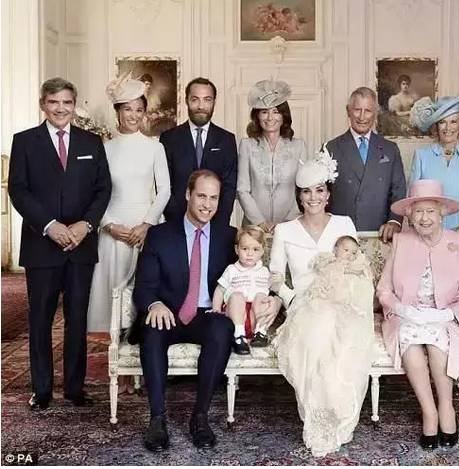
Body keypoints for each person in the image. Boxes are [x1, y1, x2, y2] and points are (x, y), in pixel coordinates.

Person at [8, 77, 112, 410]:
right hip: (41, 246)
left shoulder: (92, 142)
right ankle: (41, 391)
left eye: (67, 102)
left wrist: (86, 225)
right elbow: (18, 190)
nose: (61, 108)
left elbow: (103, 189)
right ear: (43, 104)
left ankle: (74, 388)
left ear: (74, 105)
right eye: (54, 102)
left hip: (81, 246)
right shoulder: (24, 141)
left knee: (77, 319)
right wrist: (49, 226)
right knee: (40, 319)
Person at [269, 150, 374, 457]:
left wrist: (347, 297)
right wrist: (291, 298)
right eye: (306, 192)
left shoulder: (343, 223)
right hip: (304, 304)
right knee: (317, 330)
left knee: (338, 333)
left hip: (342, 302)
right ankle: (318, 415)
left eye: (319, 190)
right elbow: (275, 277)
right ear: (299, 196)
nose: (313, 198)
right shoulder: (285, 230)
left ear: (328, 193)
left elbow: (358, 267)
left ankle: (338, 410)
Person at [130, 169, 237, 452]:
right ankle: (157, 419)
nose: (207, 204)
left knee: (222, 328)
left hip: (206, 314)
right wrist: (155, 304)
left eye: (214, 198)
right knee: (151, 328)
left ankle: (200, 417)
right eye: (201, 196)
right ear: (188, 195)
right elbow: (143, 287)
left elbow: (244, 276)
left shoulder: (229, 237)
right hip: (169, 313)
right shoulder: (160, 235)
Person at [377, 179, 459, 449]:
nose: (424, 218)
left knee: (436, 345)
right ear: (409, 215)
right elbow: (384, 289)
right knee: (410, 342)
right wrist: (402, 309)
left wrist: (446, 315)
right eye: (418, 211)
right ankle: (429, 413)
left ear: (442, 213)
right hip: (407, 314)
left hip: (444, 315)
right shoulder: (401, 241)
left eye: (430, 211)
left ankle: (446, 408)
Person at [87, 74, 170, 333]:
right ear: (118, 111)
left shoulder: (155, 148)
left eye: (139, 110)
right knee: (112, 298)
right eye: (127, 109)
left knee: (144, 289)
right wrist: (109, 225)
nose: (133, 115)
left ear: (144, 113)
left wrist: (147, 225)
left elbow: (165, 190)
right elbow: (95, 193)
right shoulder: (104, 149)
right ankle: (114, 349)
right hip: (114, 227)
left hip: (145, 228)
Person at [409, 94, 459, 281]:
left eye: (453, 121)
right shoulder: (422, 155)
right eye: (442, 122)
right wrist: (423, 227)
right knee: (434, 286)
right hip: (430, 234)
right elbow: (412, 198)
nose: (448, 128)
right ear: (436, 126)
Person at [325, 86, 406, 242]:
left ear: (375, 113)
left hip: (380, 236)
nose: (362, 117)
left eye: (368, 111)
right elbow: (322, 195)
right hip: (340, 236)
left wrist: (394, 221)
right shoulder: (330, 148)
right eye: (357, 110)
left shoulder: (390, 149)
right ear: (348, 111)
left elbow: (398, 190)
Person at [160, 77, 238, 225]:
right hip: (177, 224)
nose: (201, 106)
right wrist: (175, 221)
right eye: (195, 99)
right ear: (186, 101)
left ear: (214, 102)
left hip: (215, 224)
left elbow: (229, 188)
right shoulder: (169, 138)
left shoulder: (227, 140)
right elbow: (164, 185)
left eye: (207, 100)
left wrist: (219, 224)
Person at [237, 79, 307, 233]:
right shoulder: (246, 145)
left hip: (290, 226)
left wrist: (287, 224)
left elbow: (302, 189)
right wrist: (260, 222)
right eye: (264, 112)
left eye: (275, 111)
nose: (270, 118)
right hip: (254, 228)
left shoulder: (298, 146)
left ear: (284, 116)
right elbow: (242, 189)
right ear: (257, 116)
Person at [212, 225, 273, 353]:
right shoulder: (232, 270)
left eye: (255, 249)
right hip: (236, 316)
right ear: (237, 249)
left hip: (255, 318)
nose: (250, 254)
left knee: (262, 297)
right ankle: (238, 336)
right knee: (237, 296)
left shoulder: (264, 271)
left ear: (263, 251)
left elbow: (271, 291)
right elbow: (220, 290)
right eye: (245, 249)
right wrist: (216, 309)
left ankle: (260, 332)